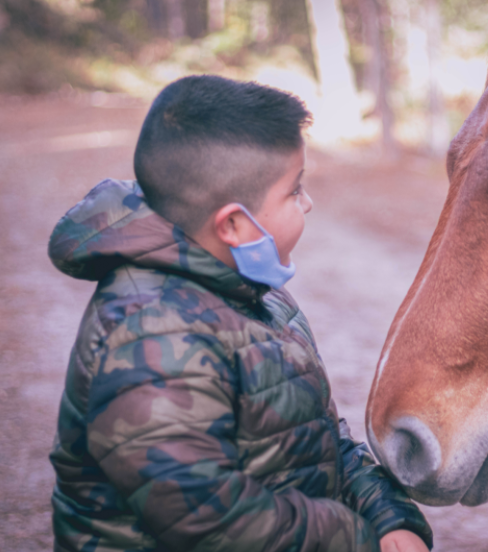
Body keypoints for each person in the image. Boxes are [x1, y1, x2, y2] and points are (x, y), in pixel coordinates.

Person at [47, 75, 433, 552]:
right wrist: (354, 537)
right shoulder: (148, 335)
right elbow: (207, 519)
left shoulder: (253, 290)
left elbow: (315, 435)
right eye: (295, 191)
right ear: (233, 224)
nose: (308, 203)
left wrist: (388, 517)